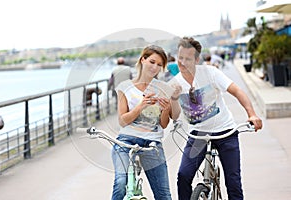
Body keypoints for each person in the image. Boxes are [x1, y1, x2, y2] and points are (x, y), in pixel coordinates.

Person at [168, 37, 263, 200]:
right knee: (183, 176)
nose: (182, 63)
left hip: (225, 132)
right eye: (180, 58)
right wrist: (174, 98)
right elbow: (174, 115)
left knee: (233, 183)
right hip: (198, 136)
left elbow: (237, 91)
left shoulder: (211, 73)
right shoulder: (175, 83)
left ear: (197, 60)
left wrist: (251, 113)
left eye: (188, 59)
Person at [112, 45, 178, 200]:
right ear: (143, 60)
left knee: (164, 195)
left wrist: (167, 108)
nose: (155, 67)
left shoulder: (163, 88)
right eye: (152, 62)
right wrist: (141, 106)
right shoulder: (124, 87)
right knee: (121, 183)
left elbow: (163, 124)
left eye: (159, 65)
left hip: (152, 143)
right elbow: (122, 121)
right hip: (126, 141)